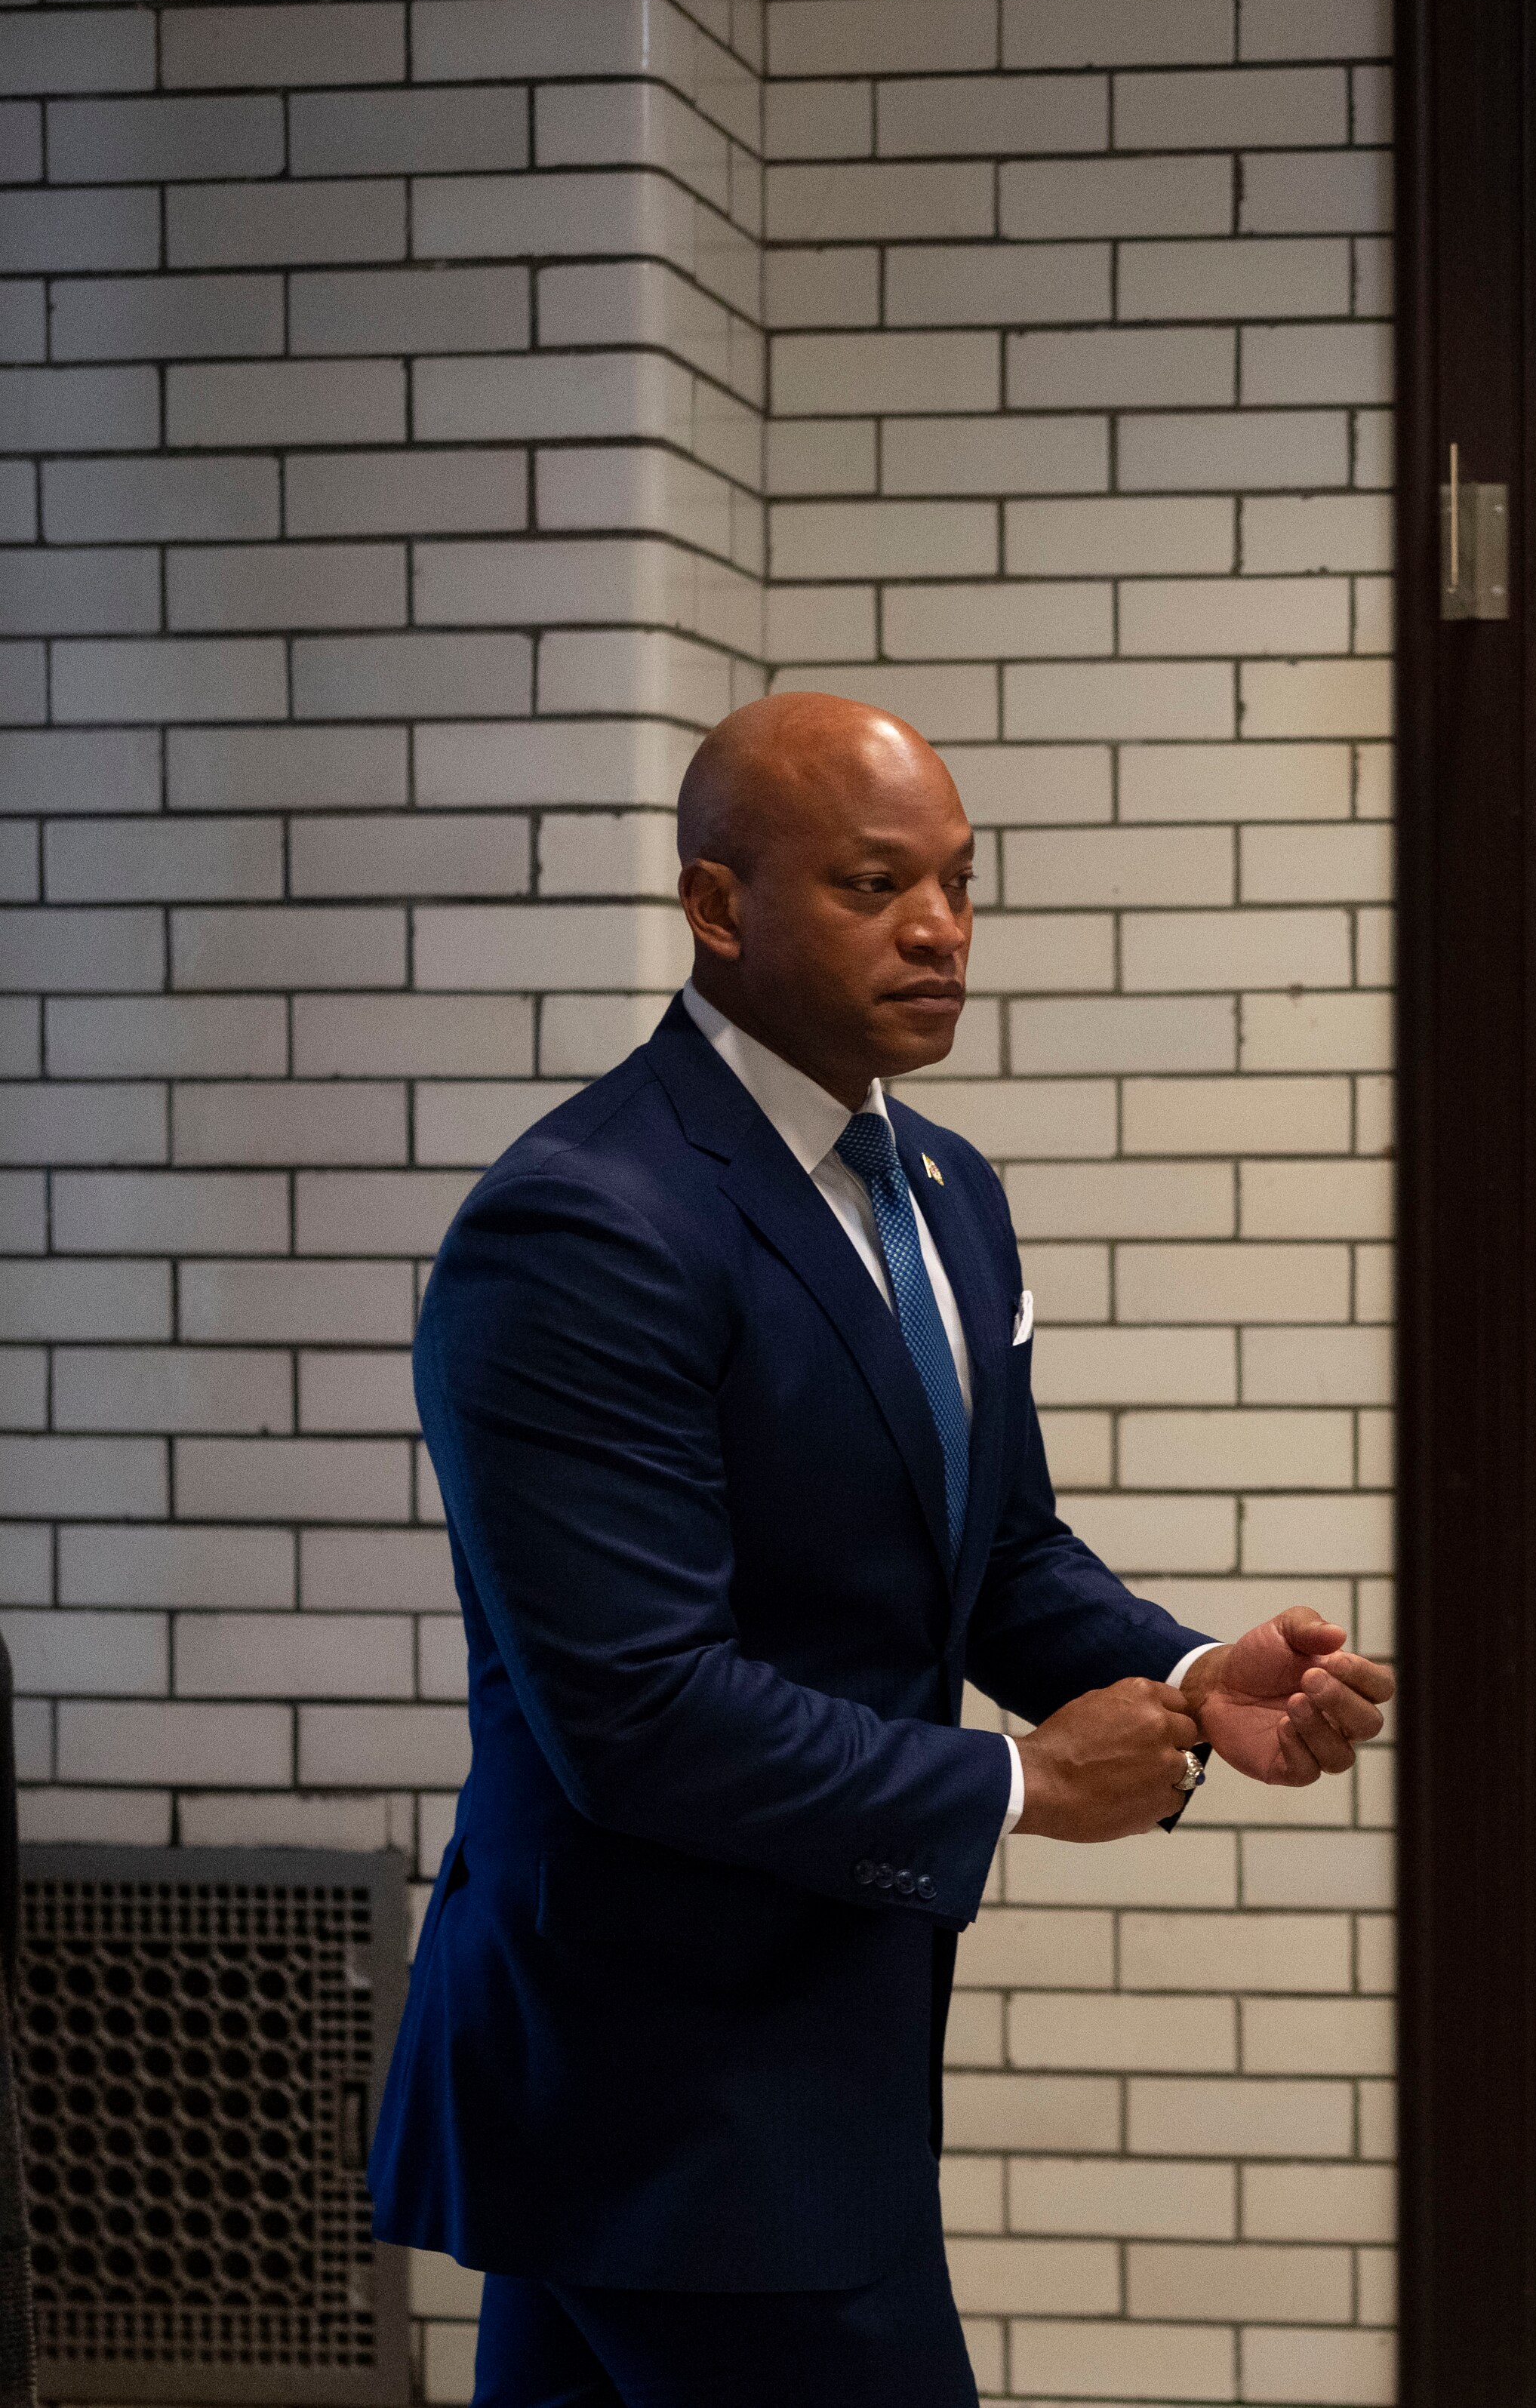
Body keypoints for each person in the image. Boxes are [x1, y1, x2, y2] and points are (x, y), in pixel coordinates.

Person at [370, 693, 1395, 2405]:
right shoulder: (586, 1222)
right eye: (871, 883)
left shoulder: (944, 1187)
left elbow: (994, 1553)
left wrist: (1194, 1674)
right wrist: (1014, 1783)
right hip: (663, 2074)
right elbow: (635, 1710)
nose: (939, 929)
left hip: (795, 2061)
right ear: (718, 907)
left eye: (958, 883)